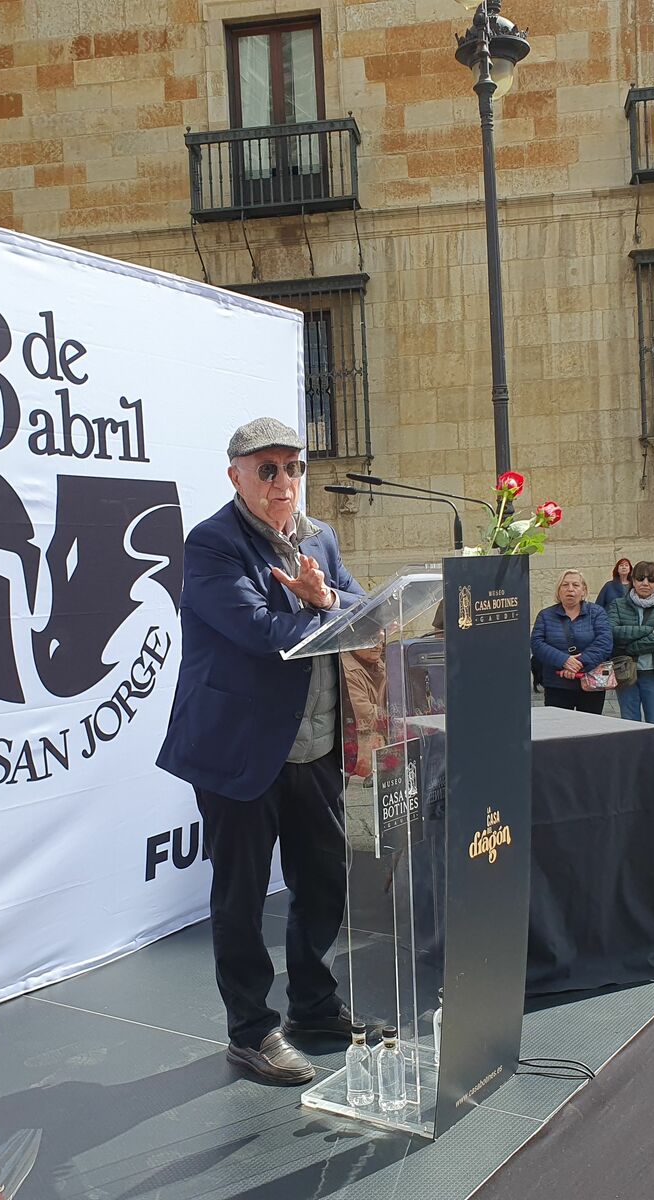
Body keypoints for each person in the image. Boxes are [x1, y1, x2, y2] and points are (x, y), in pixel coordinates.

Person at [157, 417, 368, 1086]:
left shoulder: (320, 538)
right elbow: (259, 631)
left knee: (324, 881)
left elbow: (359, 605)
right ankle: (251, 1032)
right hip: (240, 752)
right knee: (241, 896)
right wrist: (319, 609)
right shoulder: (213, 543)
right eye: (267, 469)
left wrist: (325, 596)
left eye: (292, 467)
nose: (283, 481)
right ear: (237, 476)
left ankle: (313, 1004)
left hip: (315, 747)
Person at [531, 569, 614, 715]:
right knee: (559, 731)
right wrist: (564, 660)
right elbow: (537, 644)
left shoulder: (597, 613)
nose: (570, 589)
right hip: (557, 685)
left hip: (591, 683)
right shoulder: (545, 615)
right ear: (558, 590)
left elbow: (604, 642)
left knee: (590, 730)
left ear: (584, 590)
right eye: (565, 585)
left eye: (575, 585)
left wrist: (578, 664)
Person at [607, 561, 654, 726]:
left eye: (651, 579)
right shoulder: (618, 604)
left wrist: (631, 647)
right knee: (630, 726)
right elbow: (612, 632)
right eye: (640, 578)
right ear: (633, 580)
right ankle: (632, 754)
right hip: (625, 673)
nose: (645, 583)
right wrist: (647, 630)